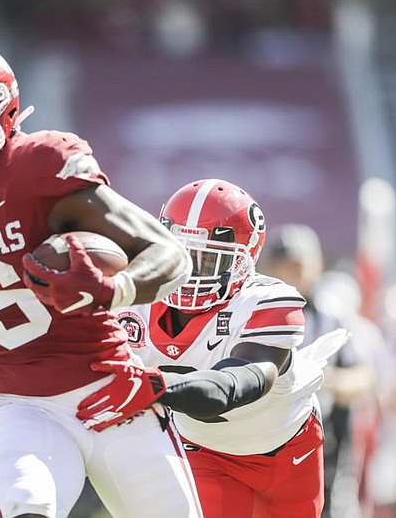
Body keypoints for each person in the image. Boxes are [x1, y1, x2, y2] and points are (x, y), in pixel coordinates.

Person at [0, 38, 202, 518]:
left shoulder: (40, 167)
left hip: (110, 388)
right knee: (27, 508)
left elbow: (170, 255)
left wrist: (113, 290)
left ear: (5, 108)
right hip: (17, 402)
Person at [76, 179, 350, 517]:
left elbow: (240, 383)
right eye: (182, 254)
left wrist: (149, 385)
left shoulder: (266, 301)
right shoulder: (133, 303)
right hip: (206, 450)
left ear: (242, 262)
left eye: (206, 261)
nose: (190, 274)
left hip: (288, 446)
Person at [265, 224, 378, 518]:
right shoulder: (257, 313)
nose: (294, 274)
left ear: (317, 266)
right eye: (287, 266)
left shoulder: (333, 315)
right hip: (267, 447)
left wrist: (322, 382)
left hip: (323, 449)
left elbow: (363, 378)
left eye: (300, 266)